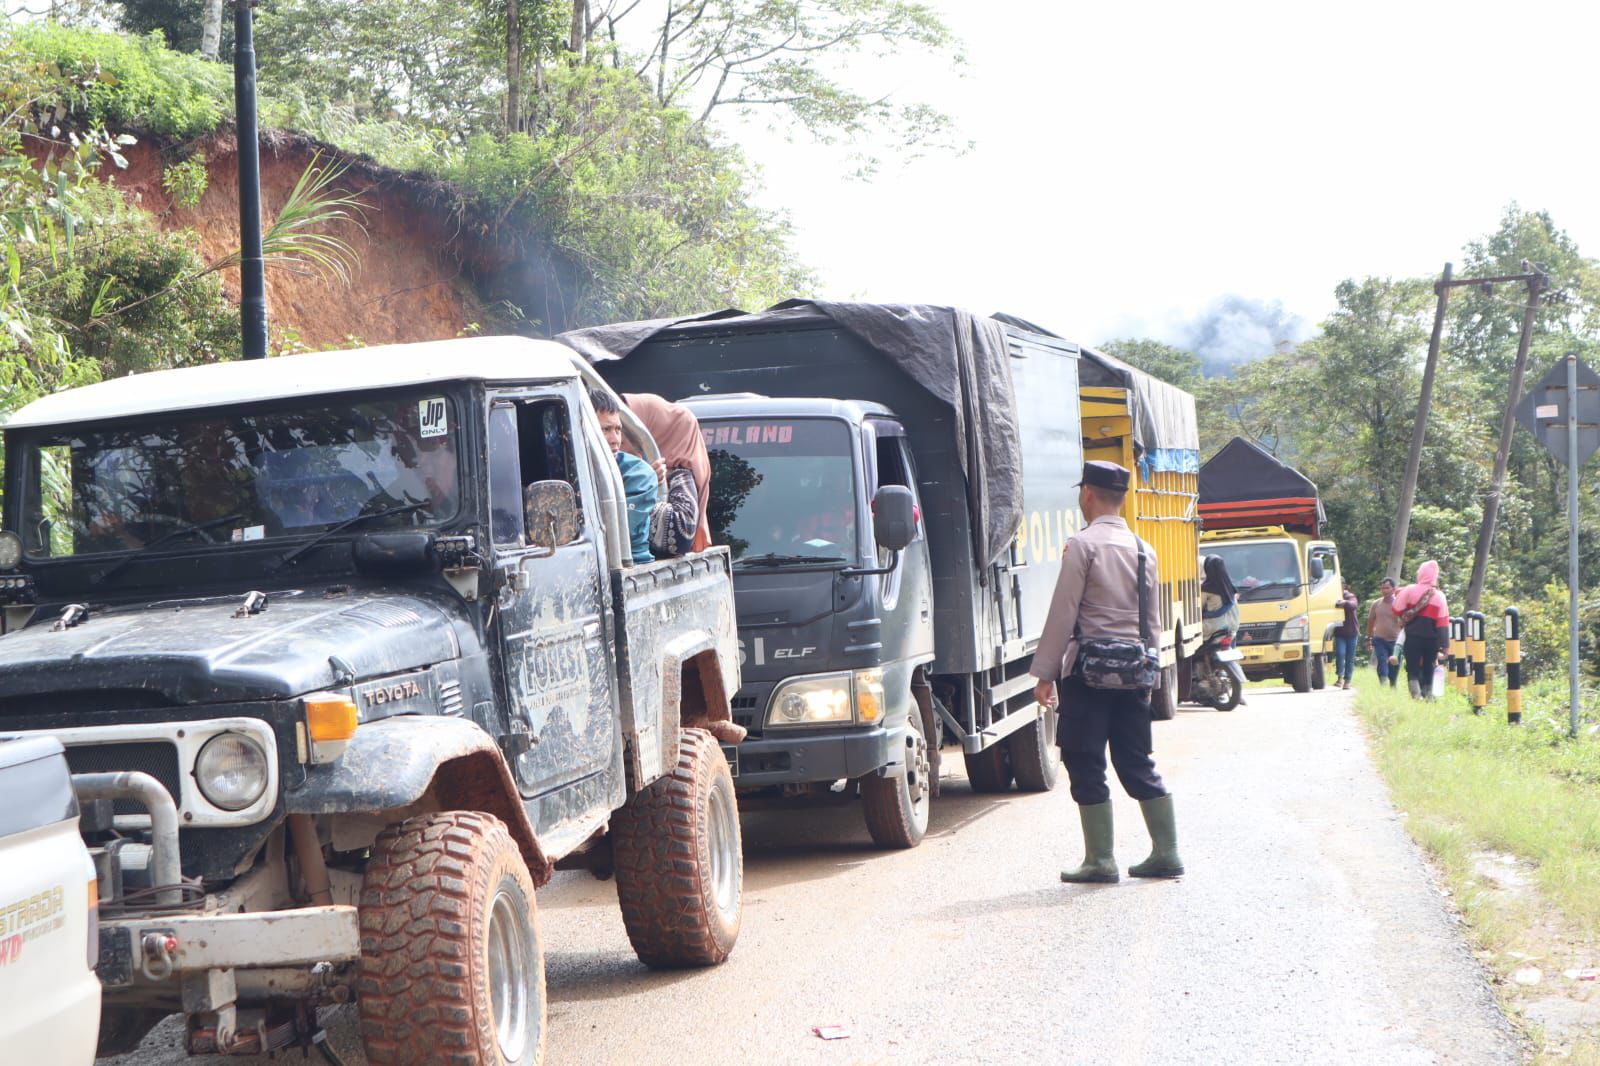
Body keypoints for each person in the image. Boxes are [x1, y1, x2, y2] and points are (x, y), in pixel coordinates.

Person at [1031, 460, 1181, 885]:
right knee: (1136, 759)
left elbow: (1064, 613)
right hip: (1134, 670)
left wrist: (1045, 674)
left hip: (1087, 673)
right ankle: (1167, 853)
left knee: (1084, 758)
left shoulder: (1082, 546)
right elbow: (1151, 622)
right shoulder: (1144, 549)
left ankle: (1100, 860)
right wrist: (1151, 676)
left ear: (1088, 494)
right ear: (1123, 498)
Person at [621, 392, 712, 556]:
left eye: (622, 428)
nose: (615, 438)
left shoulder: (679, 479)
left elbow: (680, 537)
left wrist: (646, 485)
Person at [590, 389, 658, 565]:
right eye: (605, 430)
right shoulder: (569, 467)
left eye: (618, 430)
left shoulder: (639, 474)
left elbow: (616, 533)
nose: (615, 440)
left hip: (630, 566)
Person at [1391, 560, 1451, 699]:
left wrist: (1406, 615)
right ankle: (1428, 694)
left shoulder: (1409, 590)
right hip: (1432, 639)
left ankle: (1416, 694)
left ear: (1420, 574)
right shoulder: (1439, 596)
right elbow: (1443, 622)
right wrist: (1445, 646)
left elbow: (1396, 608)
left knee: (1412, 666)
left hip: (1412, 636)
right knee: (1429, 665)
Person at [1366, 577, 1402, 688]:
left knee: (1394, 664)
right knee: (1382, 661)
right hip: (1379, 639)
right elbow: (1370, 621)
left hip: (1396, 641)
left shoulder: (1399, 604)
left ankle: (1393, 684)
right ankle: (1383, 683)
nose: (1384, 590)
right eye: (1382, 588)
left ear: (1394, 589)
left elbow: (1404, 621)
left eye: (1387, 588)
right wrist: (1368, 638)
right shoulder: (1376, 604)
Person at [1334, 584, 1360, 690]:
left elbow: (1353, 605)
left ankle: (1347, 680)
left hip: (1352, 632)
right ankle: (1340, 677)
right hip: (1339, 632)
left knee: (1350, 657)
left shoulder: (1349, 596)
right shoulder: (1332, 596)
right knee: (1340, 654)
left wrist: (1344, 602)